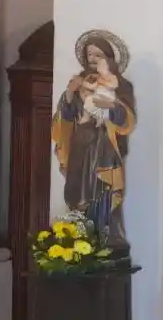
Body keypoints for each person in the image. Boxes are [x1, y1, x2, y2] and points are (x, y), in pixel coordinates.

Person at [52, 31, 136, 246]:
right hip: (81, 143)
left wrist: (110, 105)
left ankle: (104, 238)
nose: (93, 59)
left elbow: (125, 118)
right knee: (77, 191)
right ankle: (79, 237)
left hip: (103, 146)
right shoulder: (79, 82)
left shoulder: (120, 85)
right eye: (89, 55)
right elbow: (67, 117)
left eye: (98, 55)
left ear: (108, 58)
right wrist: (70, 94)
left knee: (102, 191)